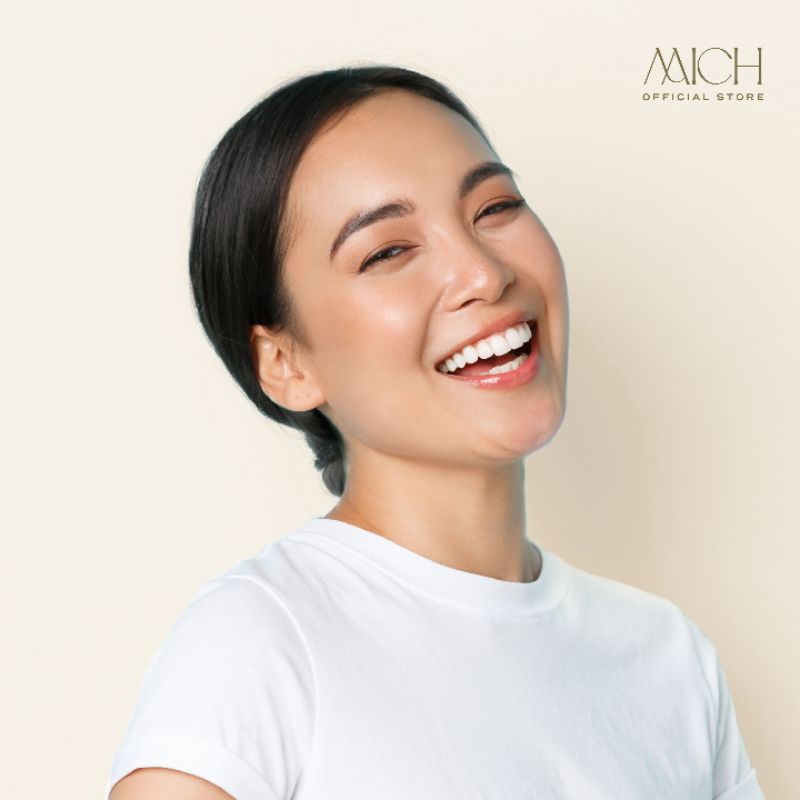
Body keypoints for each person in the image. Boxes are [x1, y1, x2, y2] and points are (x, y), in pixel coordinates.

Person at [105, 65, 764, 800]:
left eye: (495, 206)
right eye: (388, 251)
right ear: (287, 364)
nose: (484, 273)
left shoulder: (668, 658)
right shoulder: (257, 644)